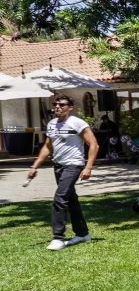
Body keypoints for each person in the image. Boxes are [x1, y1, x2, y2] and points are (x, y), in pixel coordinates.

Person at [28, 95, 99, 251]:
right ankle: (82, 233)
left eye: (61, 104)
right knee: (71, 200)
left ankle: (58, 237)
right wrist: (35, 166)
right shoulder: (52, 124)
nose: (57, 107)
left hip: (73, 165)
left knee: (60, 198)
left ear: (70, 108)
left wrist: (88, 167)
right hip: (58, 166)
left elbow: (93, 145)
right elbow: (47, 147)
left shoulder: (77, 123)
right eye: (55, 104)